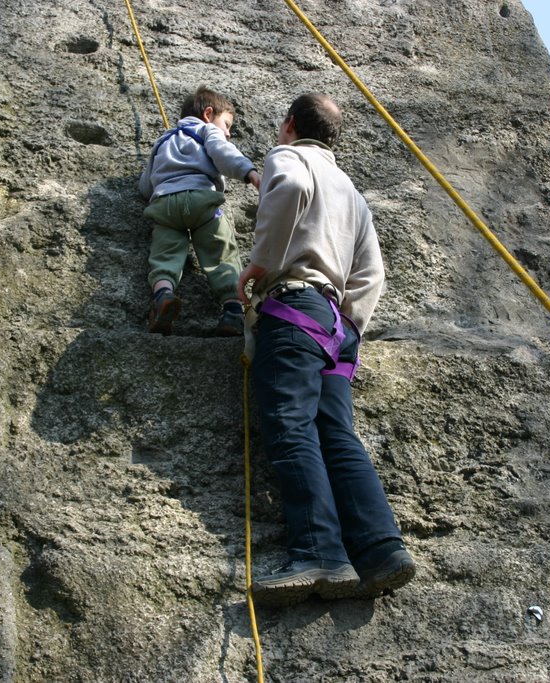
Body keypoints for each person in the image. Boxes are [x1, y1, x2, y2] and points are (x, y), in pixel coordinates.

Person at [237, 93, 414, 606]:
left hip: (294, 309)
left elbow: (288, 187)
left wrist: (262, 263)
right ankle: (380, 549)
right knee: (337, 434)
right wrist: (349, 326)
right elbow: (372, 273)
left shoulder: (289, 157)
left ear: (290, 125)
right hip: (337, 327)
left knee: (290, 425)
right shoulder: (352, 192)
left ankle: (319, 553)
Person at [139, 86, 261, 336]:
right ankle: (232, 311)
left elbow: (145, 183)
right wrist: (249, 173)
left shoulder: (162, 140)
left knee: (164, 255)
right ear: (208, 114)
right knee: (220, 252)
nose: (227, 133)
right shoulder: (207, 131)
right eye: (226, 125)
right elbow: (222, 152)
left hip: (164, 204)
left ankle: (163, 295)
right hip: (201, 200)